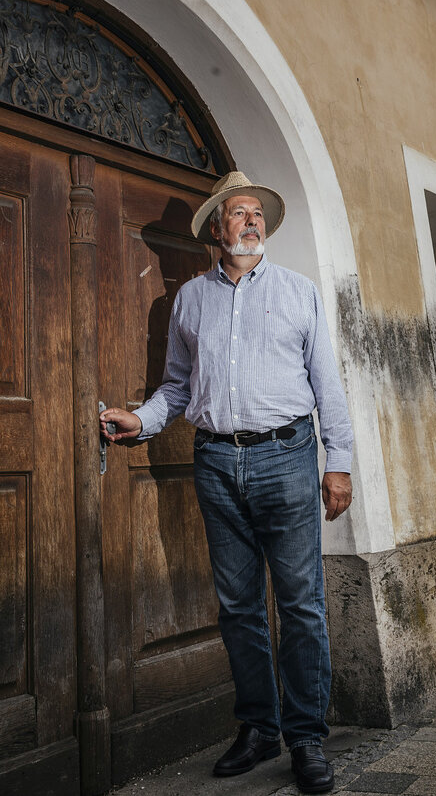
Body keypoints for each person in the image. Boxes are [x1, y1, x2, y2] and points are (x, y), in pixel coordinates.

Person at [100, 171, 353, 794]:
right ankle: (260, 726)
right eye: (239, 213)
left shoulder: (300, 293)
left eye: (257, 214)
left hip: (287, 458)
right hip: (216, 462)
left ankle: (305, 737)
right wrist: (141, 420)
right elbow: (178, 389)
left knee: (300, 604)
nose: (252, 221)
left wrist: (338, 461)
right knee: (240, 608)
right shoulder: (188, 300)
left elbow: (328, 383)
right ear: (217, 228)